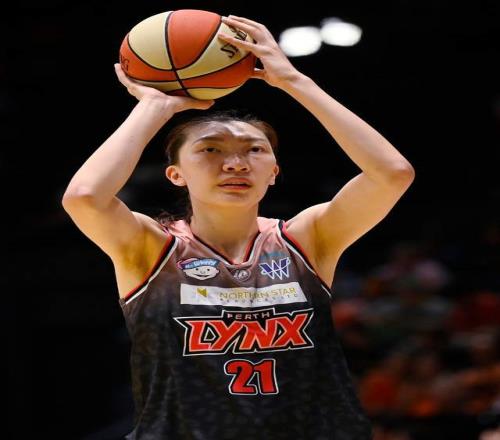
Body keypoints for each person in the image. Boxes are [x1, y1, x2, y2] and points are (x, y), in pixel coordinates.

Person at [62, 14, 415, 440]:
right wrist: (154, 107)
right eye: (210, 150)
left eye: (254, 150)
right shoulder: (150, 249)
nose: (234, 163)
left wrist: (294, 81)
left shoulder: (307, 239)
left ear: (274, 172)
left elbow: (392, 174)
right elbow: (84, 197)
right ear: (176, 174)